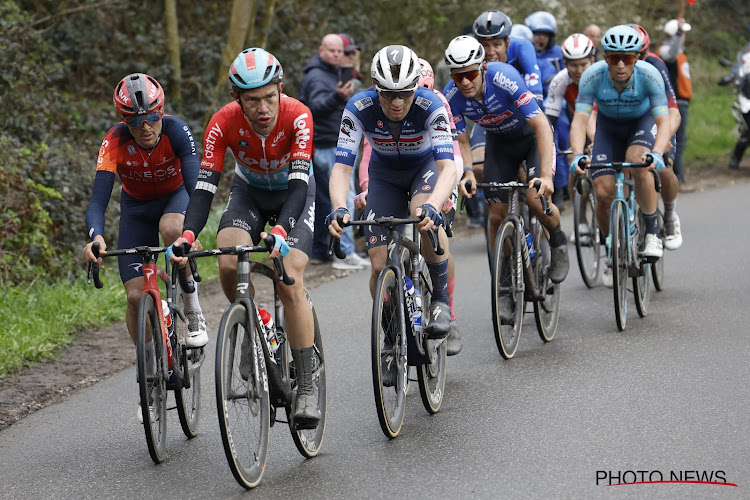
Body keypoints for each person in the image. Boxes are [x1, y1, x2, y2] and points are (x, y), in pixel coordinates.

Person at [170, 48, 321, 428]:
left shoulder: (299, 114)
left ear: (281, 89)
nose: (263, 108)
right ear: (237, 99)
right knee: (226, 262)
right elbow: (205, 187)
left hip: (294, 194)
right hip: (248, 193)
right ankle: (256, 323)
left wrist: (282, 230)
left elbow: (301, 184)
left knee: (289, 279)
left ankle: (305, 387)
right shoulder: (222, 122)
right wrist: (188, 234)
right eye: (252, 100)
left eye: (270, 96)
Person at [328, 45, 456, 347]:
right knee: (378, 265)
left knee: (422, 213)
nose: (397, 102)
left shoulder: (430, 105)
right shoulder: (358, 108)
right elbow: (342, 167)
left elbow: (447, 167)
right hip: (384, 175)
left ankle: (439, 299)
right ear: (375, 86)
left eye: (405, 94)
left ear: (415, 88)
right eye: (387, 94)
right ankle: (389, 334)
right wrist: (338, 207)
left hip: (423, 168)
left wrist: (435, 206)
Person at [83, 73, 207, 351]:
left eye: (152, 117)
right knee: (136, 297)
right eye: (135, 121)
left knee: (172, 228)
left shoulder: (177, 130)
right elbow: (97, 202)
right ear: (124, 121)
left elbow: (197, 189)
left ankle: (192, 308)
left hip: (176, 198)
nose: (145, 127)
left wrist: (192, 231)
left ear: (162, 111)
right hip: (136, 209)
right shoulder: (114, 140)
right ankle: (151, 364)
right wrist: (96, 237)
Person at [443, 35, 570, 299]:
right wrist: (467, 171)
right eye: (458, 76)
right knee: (496, 215)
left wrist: (546, 175)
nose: (465, 82)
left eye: (470, 74)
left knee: (536, 201)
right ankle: (503, 283)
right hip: (500, 144)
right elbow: (462, 139)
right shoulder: (451, 95)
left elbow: (542, 126)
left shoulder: (505, 77)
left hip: (531, 139)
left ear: (483, 67)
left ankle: (558, 241)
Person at [570, 25, 670, 287]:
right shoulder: (592, 77)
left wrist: (657, 152)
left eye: (628, 57)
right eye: (615, 58)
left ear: (637, 58)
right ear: (606, 59)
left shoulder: (650, 75)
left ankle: (652, 233)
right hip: (608, 129)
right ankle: (611, 248)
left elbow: (663, 119)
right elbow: (580, 120)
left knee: (639, 162)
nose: (622, 64)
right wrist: (577, 154)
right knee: (603, 193)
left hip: (641, 123)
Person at [299, 34, 369, 270]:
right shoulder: (318, 76)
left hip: (333, 142)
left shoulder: (331, 73)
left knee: (328, 199)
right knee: (345, 197)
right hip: (328, 144)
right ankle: (345, 253)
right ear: (321, 50)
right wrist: (337, 97)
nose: (337, 55)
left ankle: (327, 250)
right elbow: (312, 109)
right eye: (332, 51)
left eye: (340, 51)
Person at [634, 24, 683, 250]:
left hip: (658, 118)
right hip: (629, 121)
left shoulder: (656, 64)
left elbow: (672, 108)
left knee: (663, 168)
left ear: (646, 51)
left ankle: (671, 215)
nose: (635, 60)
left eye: (640, 54)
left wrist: (663, 142)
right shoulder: (613, 67)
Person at [544, 33, 597, 239]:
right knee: (576, 166)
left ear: (592, 60)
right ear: (565, 63)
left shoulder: (603, 75)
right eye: (573, 65)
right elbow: (550, 122)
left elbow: (595, 116)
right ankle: (581, 218)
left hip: (604, 120)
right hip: (579, 122)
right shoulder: (560, 81)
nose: (579, 70)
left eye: (583, 64)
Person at [525, 11, 569, 209]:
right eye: (536, 33)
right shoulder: (524, 53)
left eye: (545, 33)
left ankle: (560, 187)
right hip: (530, 107)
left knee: (560, 141)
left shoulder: (559, 54)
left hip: (556, 107)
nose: (540, 37)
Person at [659, 18, 692, 181]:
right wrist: (679, 32)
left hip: (683, 101)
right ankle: (675, 175)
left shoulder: (681, 52)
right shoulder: (665, 50)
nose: (684, 36)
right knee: (674, 140)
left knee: (681, 140)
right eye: (682, 34)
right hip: (673, 102)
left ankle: (676, 173)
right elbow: (671, 54)